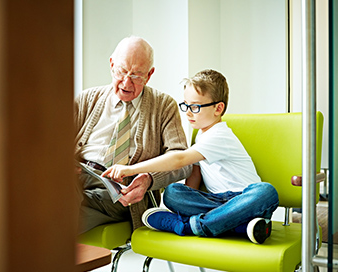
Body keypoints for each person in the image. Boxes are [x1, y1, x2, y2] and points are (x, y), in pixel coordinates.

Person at [102, 69, 279, 244]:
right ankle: (239, 227)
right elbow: (194, 177)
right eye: (186, 105)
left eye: (195, 107)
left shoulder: (219, 136)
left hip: (245, 202)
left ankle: (189, 226)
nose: (187, 112)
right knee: (172, 193)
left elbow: (179, 159)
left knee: (266, 192)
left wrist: (131, 169)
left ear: (218, 108)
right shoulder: (200, 138)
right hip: (216, 203)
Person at [74, 36, 192, 233]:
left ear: (149, 74)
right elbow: (54, 144)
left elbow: (184, 162)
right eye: (121, 71)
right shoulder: (87, 99)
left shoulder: (163, 106)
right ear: (112, 65)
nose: (126, 83)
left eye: (137, 75)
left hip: (120, 193)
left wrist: (149, 178)